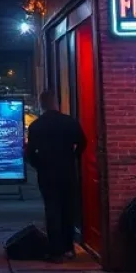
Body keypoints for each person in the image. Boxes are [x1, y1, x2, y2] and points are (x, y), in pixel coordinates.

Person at [26, 90, 87, 262]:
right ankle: (69, 247)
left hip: (47, 173)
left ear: (42, 104)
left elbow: (30, 152)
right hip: (67, 171)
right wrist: (72, 157)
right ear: (56, 102)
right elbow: (83, 142)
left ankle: (56, 251)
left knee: (52, 210)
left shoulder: (37, 126)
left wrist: (40, 164)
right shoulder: (69, 122)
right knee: (68, 209)